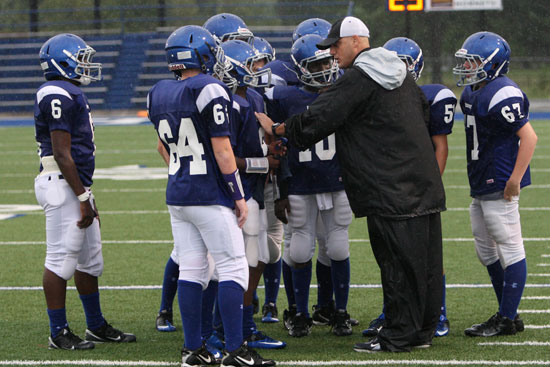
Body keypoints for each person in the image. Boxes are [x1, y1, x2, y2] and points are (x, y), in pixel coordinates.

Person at [256, 16, 446, 353]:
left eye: (335, 44)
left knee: (397, 263)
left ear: (357, 41)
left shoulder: (361, 76)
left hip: (391, 188)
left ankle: (399, 335)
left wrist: (280, 129)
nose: (331, 52)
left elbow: (322, 114)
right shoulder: (399, 74)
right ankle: (421, 331)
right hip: (421, 183)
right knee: (424, 265)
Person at [147, 25, 274, 366]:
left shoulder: (157, 92)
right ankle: (236, 350)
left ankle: (193, 351)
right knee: (233, 267)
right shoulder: (209, 87)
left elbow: (164, 147)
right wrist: (237, 194)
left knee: (191, 269)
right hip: (209, 193)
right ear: (200, 55)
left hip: (178, 192)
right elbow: (222, 151)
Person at [34, 33, 136, 350]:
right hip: (61, 184)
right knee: (60, 261)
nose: (85, 65)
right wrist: (81, 197)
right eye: (80, 59)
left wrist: (86, 194)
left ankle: (95, 326)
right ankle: (58, 332)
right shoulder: (55, 92)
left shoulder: (69, 90)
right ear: (61, 61)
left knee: (90, 262)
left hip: (75, 184)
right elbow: (62, 153)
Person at [362, 36, 457, 338]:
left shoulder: (431, 96)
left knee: (427, 256)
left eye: (403, 63)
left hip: (418, 188)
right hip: (391, 186)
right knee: (392, 256)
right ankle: (394, 311)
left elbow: (439, 147)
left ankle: (437, 313)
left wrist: (430, 186)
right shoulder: (374, 95)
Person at [264, 34, 354, 338]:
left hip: (336, 181)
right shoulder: (286, 98)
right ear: (301, 68)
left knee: (338, 246)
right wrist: (280, 190)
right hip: (301, 183)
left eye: (327, 62)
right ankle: (299, 312)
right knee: (300, 249)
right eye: (316, 64)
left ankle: (339, 312)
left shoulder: (344, 91)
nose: (324, 69)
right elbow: (277, 146)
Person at [452, 31, 537, 337]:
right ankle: (507, 312)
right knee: (485, 250)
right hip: (481, 179)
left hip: (500, 180)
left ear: (493, 63)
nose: (468, 66)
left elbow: (529, 137)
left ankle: (507, 317)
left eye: (473, 61)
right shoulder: (473, 92)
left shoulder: (502, 92)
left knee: (509, 246)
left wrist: (515, 179)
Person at [219, 39, 286, 349]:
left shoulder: (256, 99)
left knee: (256, 258)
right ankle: (225, 329)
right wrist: (265, 161)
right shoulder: (225, 103)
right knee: (230, 264)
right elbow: (226, 156)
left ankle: (242, 326)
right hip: (234, 192)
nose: (259, 70)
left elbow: (259, 149)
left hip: (255, 190)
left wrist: (271, 145)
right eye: (253, 65)